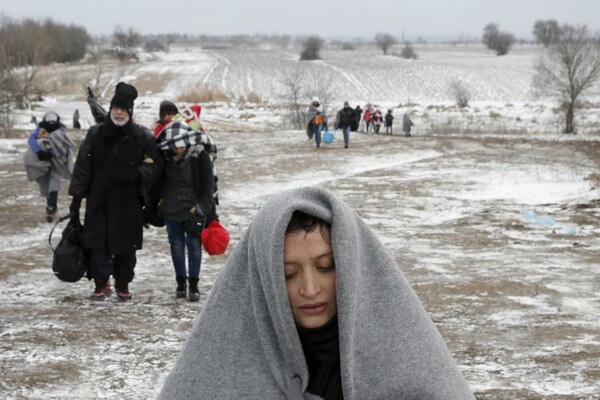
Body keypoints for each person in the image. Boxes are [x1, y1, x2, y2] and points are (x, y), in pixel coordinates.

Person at [158, 186, 474, 399]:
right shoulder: (221, 359)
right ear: (264, 279)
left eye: (325, 267)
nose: (310, 290)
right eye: (288, 274)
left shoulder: (405, 354)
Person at [68, 82, 159, 301]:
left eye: (123, 109)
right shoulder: (95, 134)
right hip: (99, 201)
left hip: (129, 203)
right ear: (110, 110)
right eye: (116, 108)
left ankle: (123, 284)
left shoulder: (142, 137)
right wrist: (76, 198)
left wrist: (138, 174)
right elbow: (83, 166)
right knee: (97, 245)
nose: (119, 112)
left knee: (126, 248)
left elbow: (154, 166)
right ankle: (101, 284)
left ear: (130, 112)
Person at [153, 121, 215, 301]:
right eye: (174, 145)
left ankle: (194, 285)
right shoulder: (163, 157)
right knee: (176, 245)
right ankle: (181, 283)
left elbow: (208, 184)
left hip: (193, 210)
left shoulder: (199, 156)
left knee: (194, 246)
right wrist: (156, 205)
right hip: (170, 209)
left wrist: (203, 206)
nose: (178, 149)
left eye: (180, 145)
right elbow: (156, 183)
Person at [23, 111, 74, 222]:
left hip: (57, 162)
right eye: (49, 121)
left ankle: (51, 207)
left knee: (54, 184)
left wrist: (54, 152)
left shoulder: (61, 130)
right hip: (43, 162)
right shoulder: (39, 129)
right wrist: (40, 152)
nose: (51, 123)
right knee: (46, 184)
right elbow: (31, 140)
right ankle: (51, 205)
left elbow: (63, 143)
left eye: (53, 121)